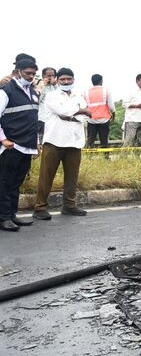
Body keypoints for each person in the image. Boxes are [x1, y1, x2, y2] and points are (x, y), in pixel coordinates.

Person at [34, 68, 90, 219]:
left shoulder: (79, 96)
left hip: (74, 141)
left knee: (72, 176)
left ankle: (69, 206)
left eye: (69, 79)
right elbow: (63, 111)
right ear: (57, 80)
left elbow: (86, 116)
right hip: (54, 141)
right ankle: (40, 208)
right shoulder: (51, 96)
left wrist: (75, 113)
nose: (66, 82)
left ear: (73, 80)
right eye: (63, 79)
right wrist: (80, 111)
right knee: (46, 176)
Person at [0, 56, 40, 231]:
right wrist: (3, 139)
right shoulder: (6, 91)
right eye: (28, 73)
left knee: (16, 182)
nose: (31, 77)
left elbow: (33, 120)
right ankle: (3, 217)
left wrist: (36, 143)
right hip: (11, 146)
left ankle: (12, 214)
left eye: (33, 74)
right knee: (5, 182)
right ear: (17, 72)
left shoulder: (33, 92)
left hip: (27, 146)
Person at [82, 74, 113, 149]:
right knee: (104, 139)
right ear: (101, 81)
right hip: (104, 119)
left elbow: (84, 106)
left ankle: (88, 154)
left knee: (90, 139)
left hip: (91, 119)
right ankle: (105, 155)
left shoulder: (86, 92)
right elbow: (111, 106)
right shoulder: (106, 90)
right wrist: (113, 114)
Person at [123, 73, 141, 148]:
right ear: (137, 81)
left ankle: (136, 155)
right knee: (129, 141)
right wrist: (137, 106)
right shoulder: (131, 91)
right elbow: (124, 104)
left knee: (139, 142)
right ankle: (124, 155)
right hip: (132, 120)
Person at [36, 67, 58, 145]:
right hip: (42, 117)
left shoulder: (56, 86)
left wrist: (55, 85)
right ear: (43, 76)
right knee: (40, 138)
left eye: (52, 75)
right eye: (48, 75)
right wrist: (43, 86)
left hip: (53, 118)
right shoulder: (39, 85)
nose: (50, 77)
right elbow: (37, 100)